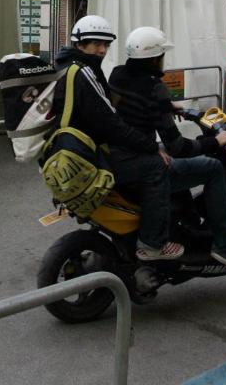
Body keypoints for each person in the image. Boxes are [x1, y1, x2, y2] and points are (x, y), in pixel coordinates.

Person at [109, 26, 226, 275]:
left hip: (119, 152)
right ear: (155, 58)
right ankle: (225, 246)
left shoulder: (117, 75)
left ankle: (186, 224)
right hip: (142, 162)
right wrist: (216, 141)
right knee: (213, 167)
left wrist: (167, 107)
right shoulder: (155, 89)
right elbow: (177, 147)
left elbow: (131, 107)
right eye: (162, 56)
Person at [52, 15, 185, 262]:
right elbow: (111, 122)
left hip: (68, 148)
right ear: (79, 44)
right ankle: (153, 244)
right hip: (90, 152)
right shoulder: (84, 73)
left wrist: (166, 105)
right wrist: (152, 146)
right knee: (157, 168)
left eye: (106, 44)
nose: (101, 50)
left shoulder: (63, 66)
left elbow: (108, 107)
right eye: (95, 44)